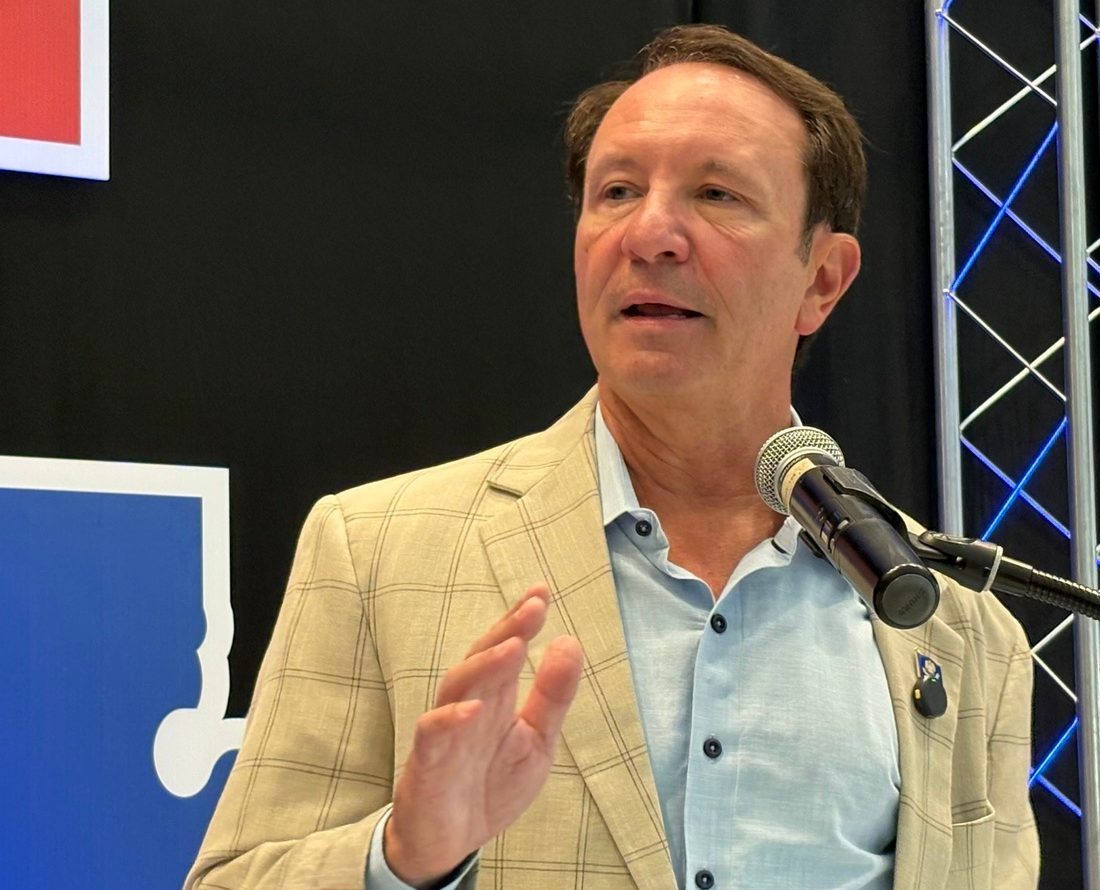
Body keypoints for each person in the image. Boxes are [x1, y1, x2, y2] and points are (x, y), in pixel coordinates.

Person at [186, 23, 1038, 890]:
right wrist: (401, 860)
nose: (651, 234)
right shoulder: (375, 551)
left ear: (823, 279)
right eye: (618, 191)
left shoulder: (958, 629)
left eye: (716, 195)